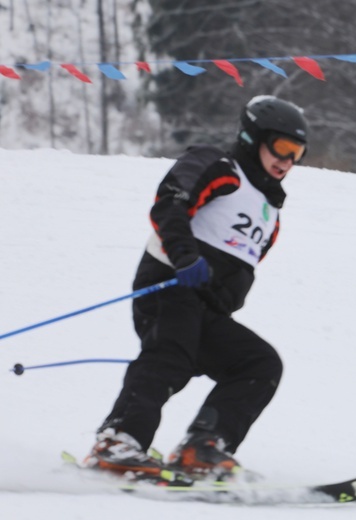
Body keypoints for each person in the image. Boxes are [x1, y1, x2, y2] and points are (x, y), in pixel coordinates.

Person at [84, 95, 308, 481]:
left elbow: (237, 269)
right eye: (282, 147)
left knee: (259, 364)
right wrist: (185, 256)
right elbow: (170, 201)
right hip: (169, 283)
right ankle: (118, 441)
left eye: (297, 153)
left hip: (206, 309)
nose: (287, 161)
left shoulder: (270, 213)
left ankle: (203, 448)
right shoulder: (219, 166)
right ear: (253, 137)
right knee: (170, 355)